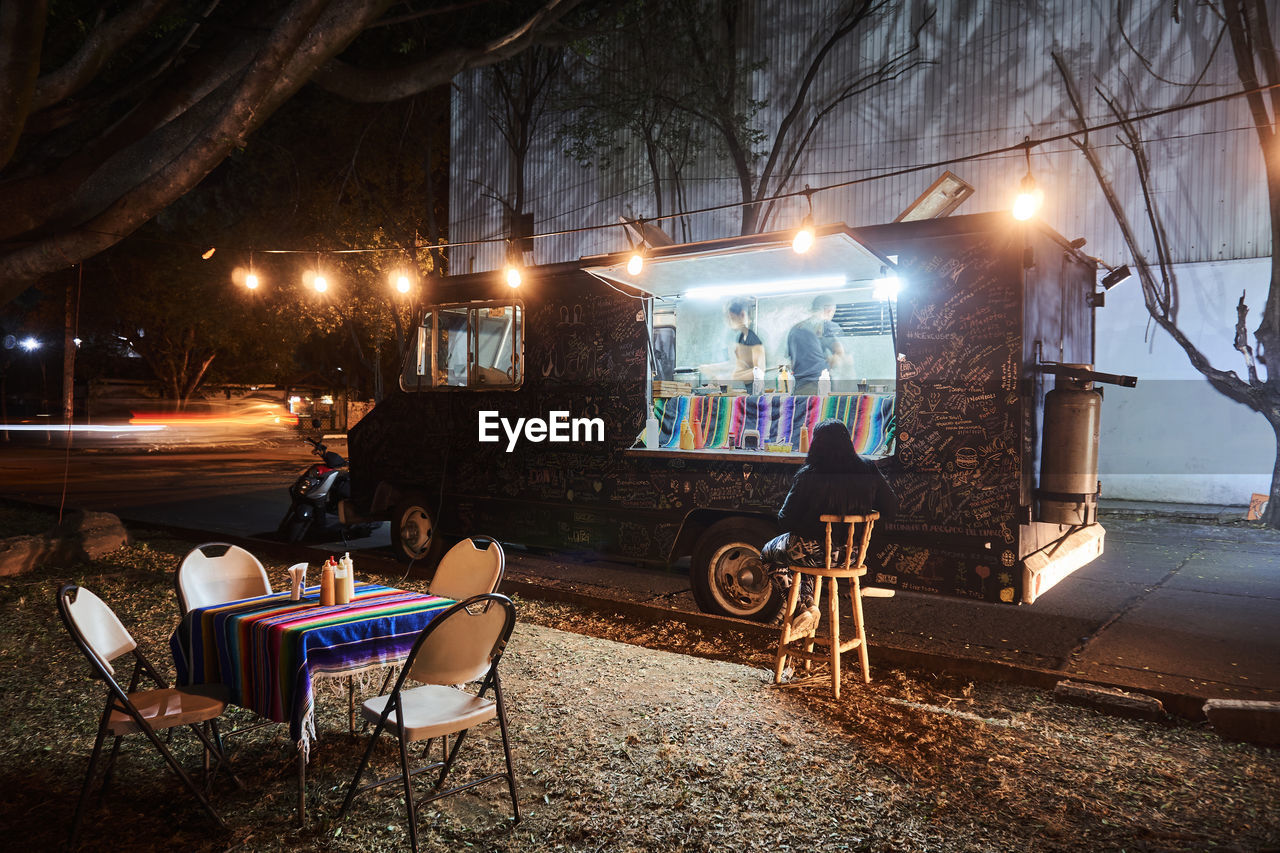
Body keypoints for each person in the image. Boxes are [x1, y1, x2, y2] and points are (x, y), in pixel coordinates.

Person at [761, 419, 897, 637]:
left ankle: (802, 608)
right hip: (850, 556)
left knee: (770, 552)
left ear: (816, 444)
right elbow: (890, 507)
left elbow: (785, 519)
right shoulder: (868, 468)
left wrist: (809, 523)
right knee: (802, 557)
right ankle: (807, 608)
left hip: (810, 554)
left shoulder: (808, 474)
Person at [699, 298, 766, 391]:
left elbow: (759, 372)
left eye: (732, 319)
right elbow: (737, 364)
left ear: (742, 315)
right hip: (741, 390)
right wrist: (713, 368)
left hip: (752, 392)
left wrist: (728, 379)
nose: (730, 323)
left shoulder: (753, 339)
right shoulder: (741, 337)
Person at [786, 293, 846, 395]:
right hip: (819, 387)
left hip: (799, 388)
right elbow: (840, 354)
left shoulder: (795, 329)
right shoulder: (827, 326)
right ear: (829, 310)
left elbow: (792, 363)